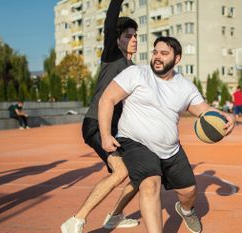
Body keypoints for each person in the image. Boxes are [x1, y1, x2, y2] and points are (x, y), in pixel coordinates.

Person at [98, 36, 235, 233]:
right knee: (150, 185)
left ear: (177, 59)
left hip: (170, 149)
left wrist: (225, 116)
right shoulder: (136, 73)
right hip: (135, 142)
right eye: (155, 52)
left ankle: (186, 211)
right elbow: (107, 99)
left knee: (188, 191)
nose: (157, 57)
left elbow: (204, 111)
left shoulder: (185, 86)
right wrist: (105, 135)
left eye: (164, 53)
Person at [60, 1, 139, 232]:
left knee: (140, 172)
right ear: (117, 39)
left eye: (136, 36)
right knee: (122, 171)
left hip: (116, 130)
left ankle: (115, 216)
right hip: (96, 124)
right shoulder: (112, 57)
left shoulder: (133, 68)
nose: (134, 39)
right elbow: (110, 22)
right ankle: (75, 220)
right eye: (128, 35)